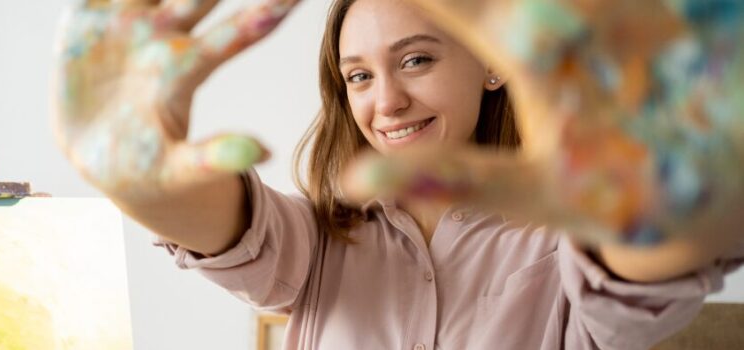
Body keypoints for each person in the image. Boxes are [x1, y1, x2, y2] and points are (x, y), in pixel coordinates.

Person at [54, 0, 744, 348]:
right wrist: (133, 178)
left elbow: (631, 272)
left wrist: (665, 215)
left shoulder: (567, 242)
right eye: (359, 76)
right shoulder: (318, 240)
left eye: (416, 60)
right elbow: (223, 226)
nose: (385, 103)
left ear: (492, 62)